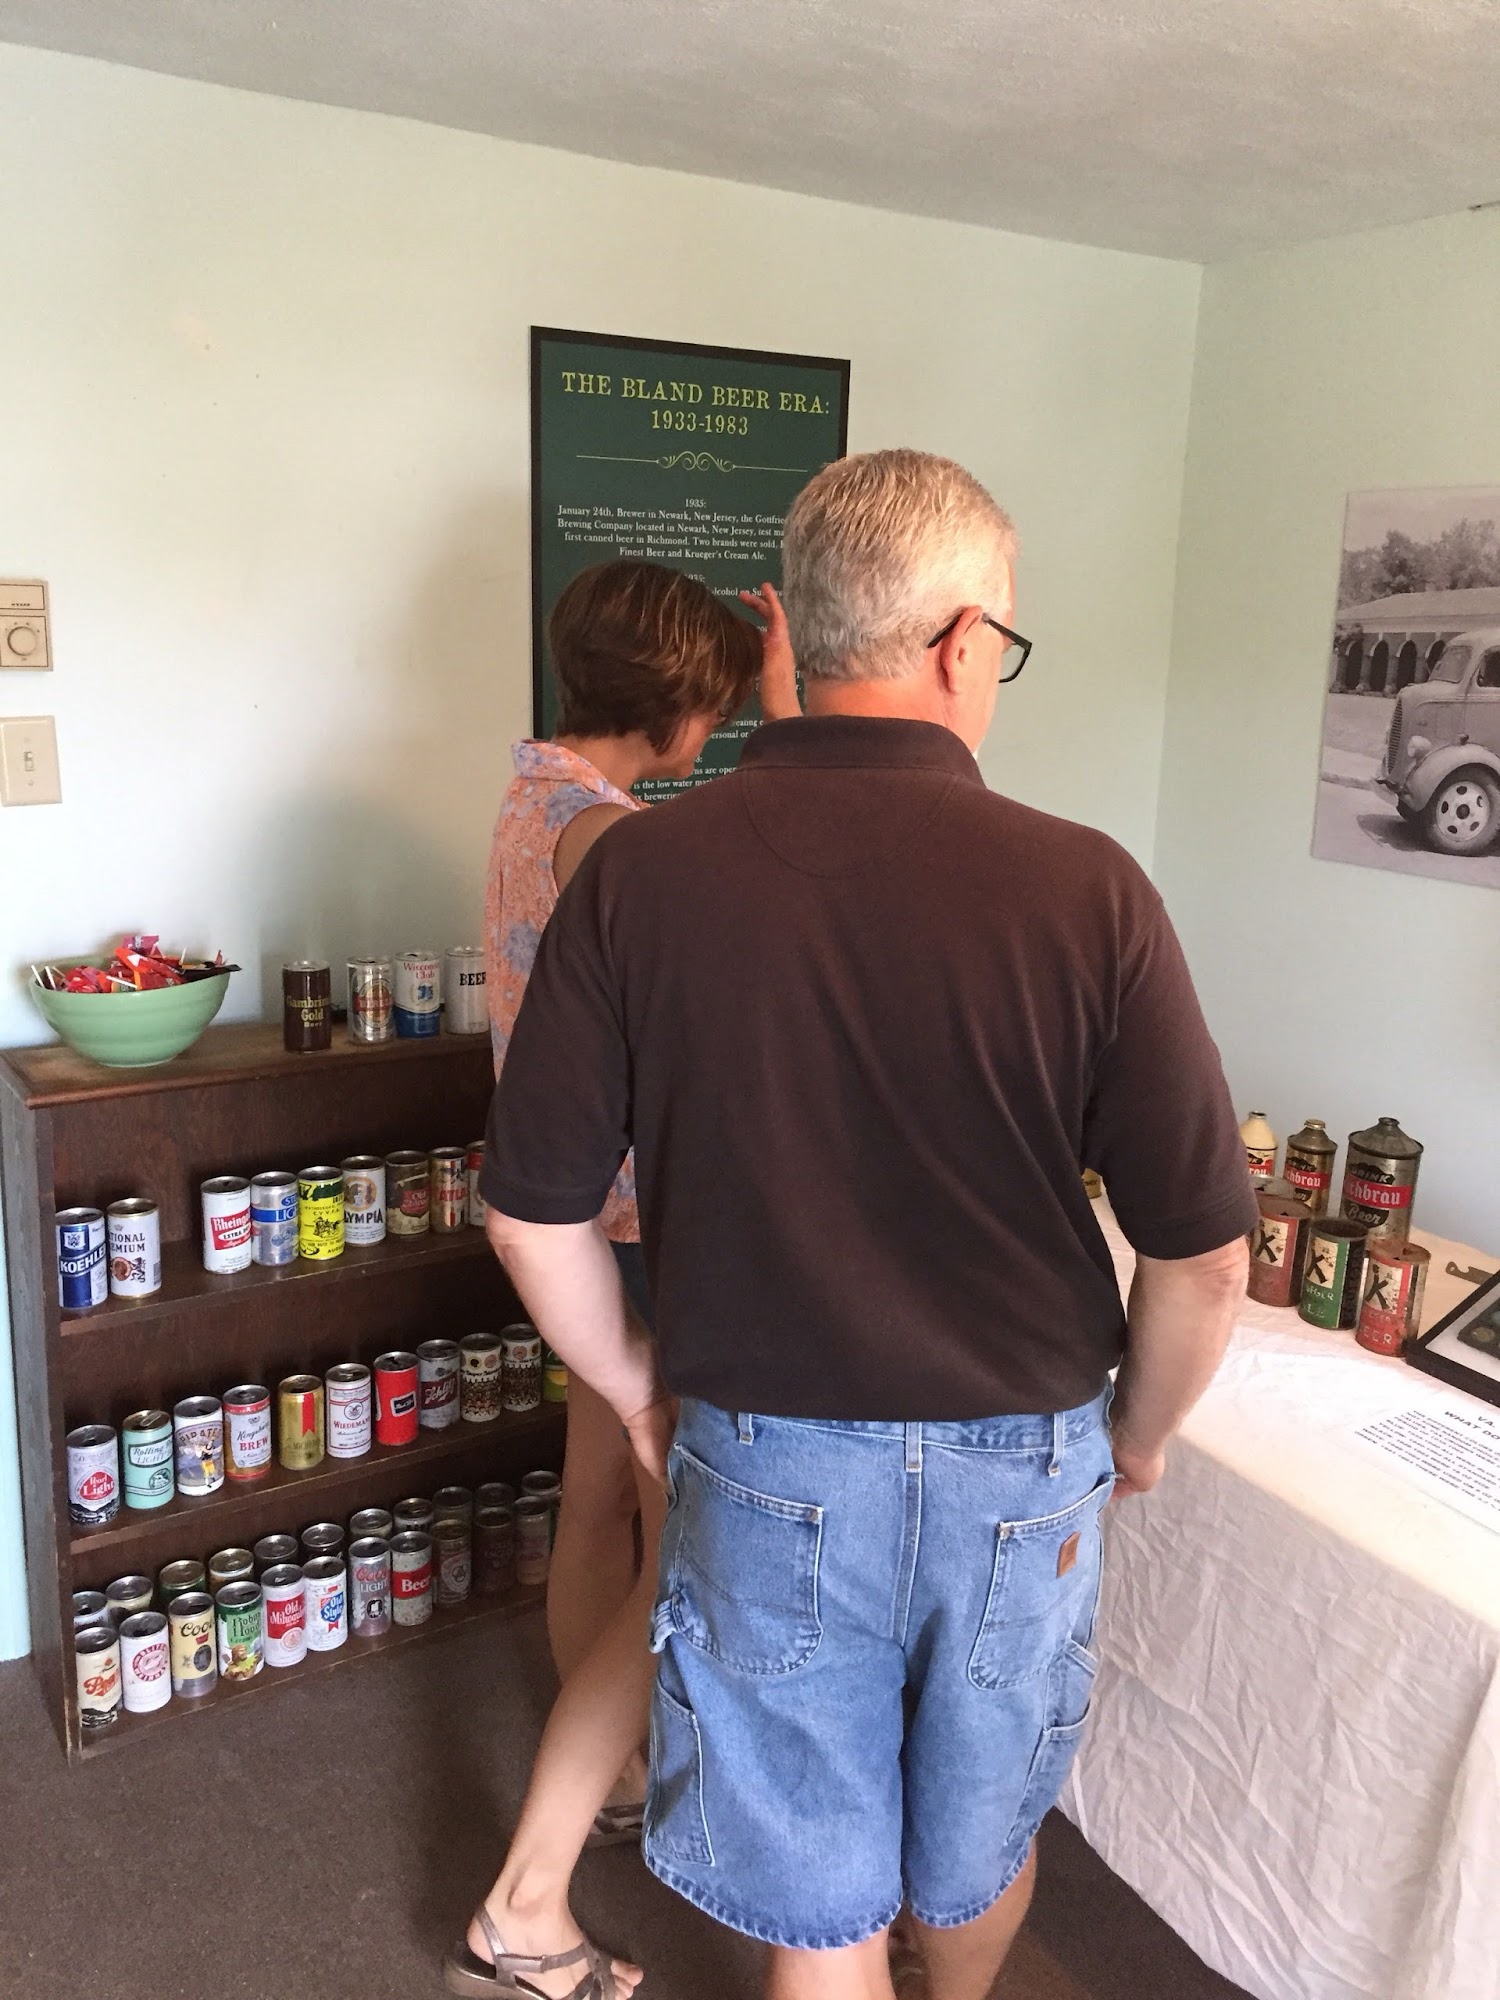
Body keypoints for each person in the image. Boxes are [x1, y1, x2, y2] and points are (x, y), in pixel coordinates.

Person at [479, 449, 1255, 2000]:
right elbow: (1206, 1255)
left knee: (815, 1889)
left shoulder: (643, 872)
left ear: (803, 639)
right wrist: (1146, 1434)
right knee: (972, 1843)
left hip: (766, 1447)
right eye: (1007, 641)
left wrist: (635, 1390)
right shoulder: (1091, 888)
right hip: (1022, 1452)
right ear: (963, 644)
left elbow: (530, 1216)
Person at [446, 558, 792, 1999]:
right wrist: (794, 724)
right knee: (688, 1571)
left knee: (600, 1508)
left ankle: (626, 1778)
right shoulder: (616, 842)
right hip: (641, 1231)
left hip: (572, 1223)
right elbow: (739, 953)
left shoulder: (538, 799)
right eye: (715, 700)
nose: (719, 724)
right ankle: (526, 1903)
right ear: (684, 700)